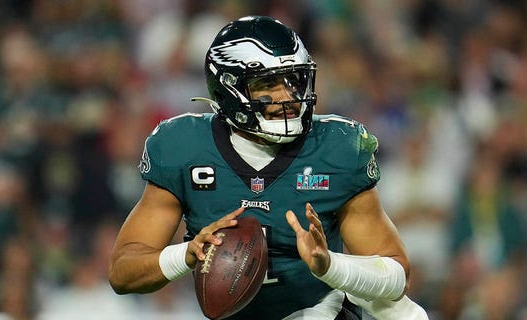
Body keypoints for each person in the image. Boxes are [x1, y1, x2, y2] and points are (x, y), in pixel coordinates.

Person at [109, 15, 427, 320]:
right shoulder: (183, 147)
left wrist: (330, 265)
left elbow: (398, 274)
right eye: (268, 84)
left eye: (294, 80)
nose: (287, 96)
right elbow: (123, 272)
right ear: (228, 88)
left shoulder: (336, 148)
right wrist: (187, 255)